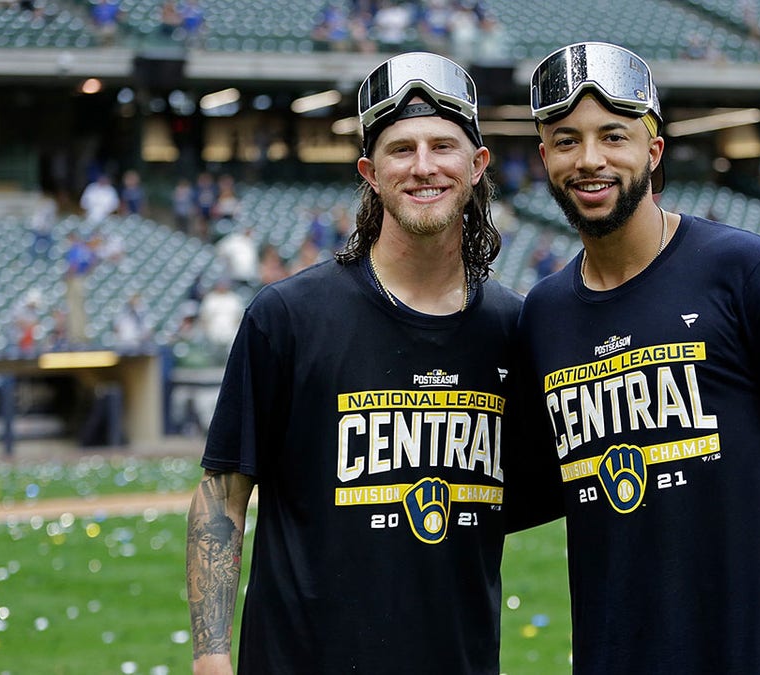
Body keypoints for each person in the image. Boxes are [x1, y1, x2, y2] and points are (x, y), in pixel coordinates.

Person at [517, 42, 760, 674]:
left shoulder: (746, 270)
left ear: (652, 152)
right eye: (567, 139)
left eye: (614, 136)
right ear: (545, 157)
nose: (591, 159)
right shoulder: (543, 314)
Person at [185, 52, 552, 675]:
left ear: (477, 165)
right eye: (401, 149)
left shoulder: (515, 328)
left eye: (443, 146)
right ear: (370, 173)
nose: (424, 166)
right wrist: (211, 657)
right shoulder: (288, 316)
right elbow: (222, 494)